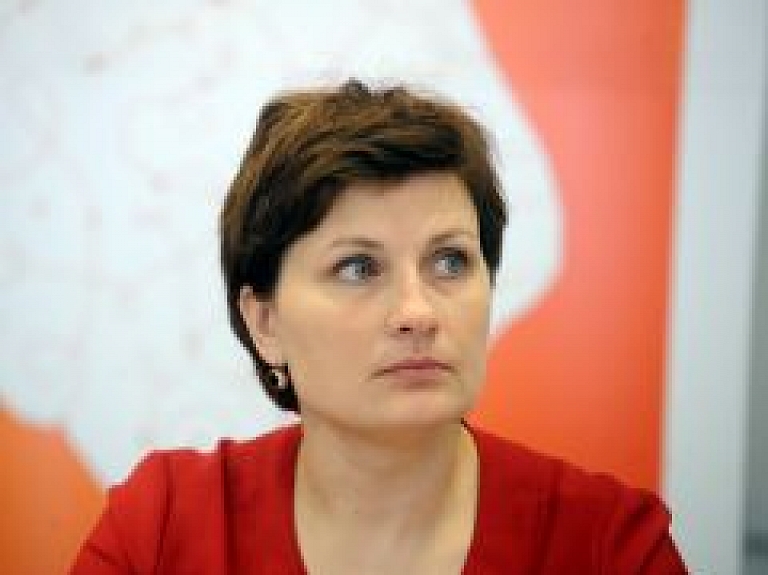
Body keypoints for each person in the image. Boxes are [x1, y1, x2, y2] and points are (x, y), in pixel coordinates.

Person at [70, 79, 687, 574]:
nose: (418, 313)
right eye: (357, 268)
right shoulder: (164, 526)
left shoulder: (609, 544)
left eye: (451, 261)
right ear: (265, 323)